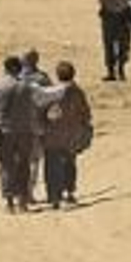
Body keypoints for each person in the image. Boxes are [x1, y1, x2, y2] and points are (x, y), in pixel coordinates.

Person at [0, 55, 38, 212]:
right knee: (24, 165)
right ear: (19, 68)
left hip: (5, 131)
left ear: (6, 68)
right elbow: (36, 106)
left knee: (6, 166)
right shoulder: (27, 86)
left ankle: (9, 202)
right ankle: (22, 200)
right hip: (25, 131)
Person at [37, 61, 93, 209]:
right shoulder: (78, 92)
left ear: (58, 75)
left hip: (53, 136)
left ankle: (54, 196)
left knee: (52, 166)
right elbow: (86, 115)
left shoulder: (53, 92)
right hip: (71, 136)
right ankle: (69, 192)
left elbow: (42, 112)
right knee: (70, 163)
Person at [98, 0, 131, 81]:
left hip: (121, 17)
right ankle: (111, 71)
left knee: (123, 45)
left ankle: (121, 70)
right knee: (108, 45)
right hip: (109, 16)